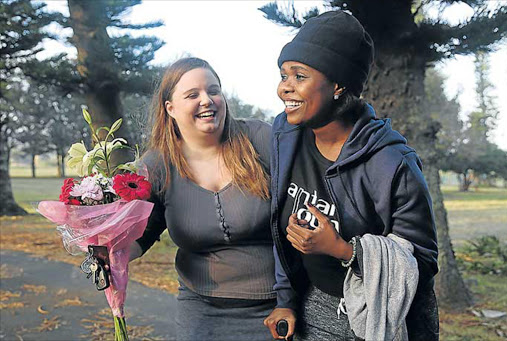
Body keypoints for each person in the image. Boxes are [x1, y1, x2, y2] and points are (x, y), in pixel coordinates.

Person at [263, 11, 439, 341]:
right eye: (283, 75)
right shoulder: (285, 135)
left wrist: (345, 250)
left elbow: (424, 261)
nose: (283, 88)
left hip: (378, 319)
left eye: (299, 76)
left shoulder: (391, 162)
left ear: (338, 84)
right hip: (313, 308)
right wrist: (286, 301)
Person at [128, 57, 276, 341]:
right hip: (201, 310)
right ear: (170, 108)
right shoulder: (157, 165)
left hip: (276, 308)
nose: (207, 100)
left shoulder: (259, 139)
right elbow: (143, 231)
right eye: (192, 95)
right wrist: (109, 250)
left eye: (214, 90)